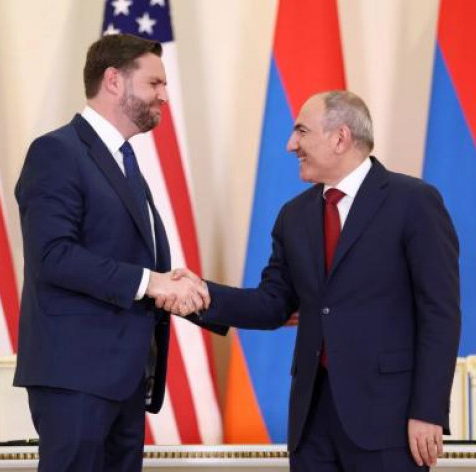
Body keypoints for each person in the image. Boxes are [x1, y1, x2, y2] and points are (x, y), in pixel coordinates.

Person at [170, 91, 461, 471]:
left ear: (340, 138)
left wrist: (428, 410)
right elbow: (273, 304)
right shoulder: (294, 216)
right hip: (312, 423)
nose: (291, 145)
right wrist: (200, 294)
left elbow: (440, 313)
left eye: (302, 132)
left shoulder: (413, 202)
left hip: (389, 419)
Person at [13, 34, 224, 472]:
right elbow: (53, 255)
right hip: (76, 378)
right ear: (114, 80)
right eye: (154, 83)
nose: (164, 96)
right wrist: (151, 282)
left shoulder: (123, 161)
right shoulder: (57, 152)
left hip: (124, 380)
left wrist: (198, 295)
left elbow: (132, 264)